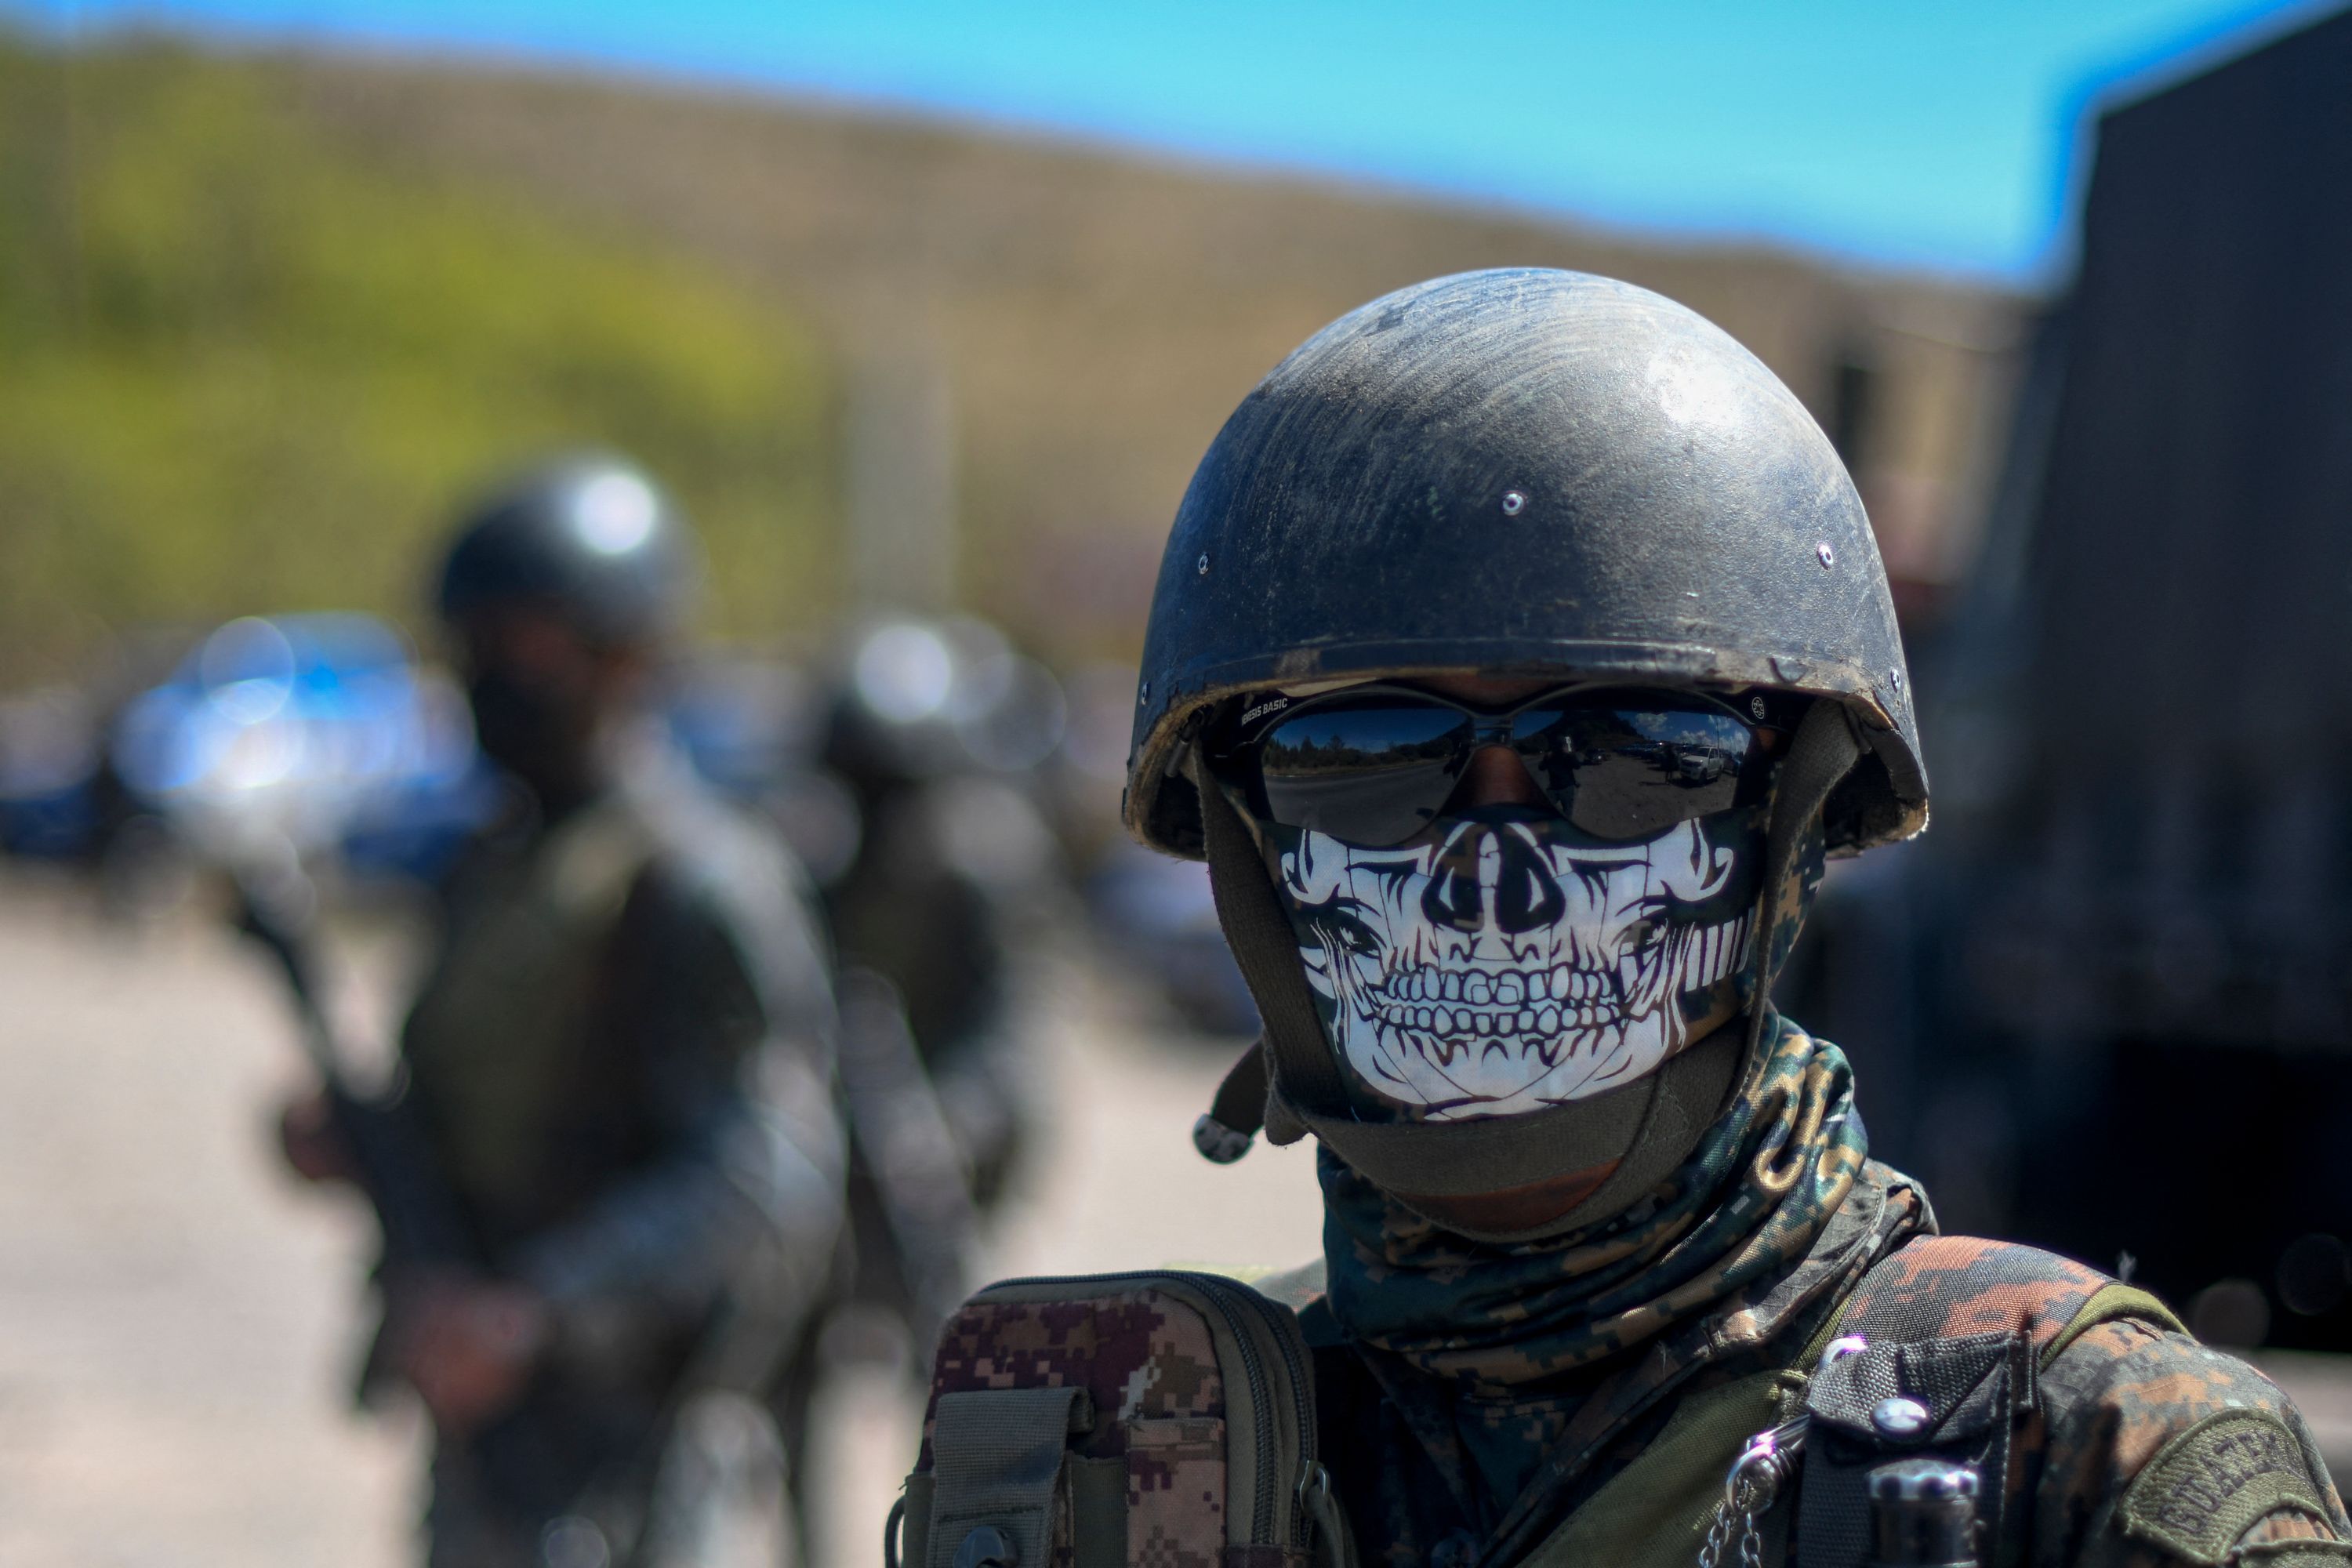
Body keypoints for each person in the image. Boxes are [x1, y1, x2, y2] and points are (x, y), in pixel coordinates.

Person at [1113, 270, 2348, 1567]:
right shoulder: (1126, 1446)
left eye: (1637, 756)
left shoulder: (2087, 1459)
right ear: (1245, 836)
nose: (1495, 875)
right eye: (1361, 753)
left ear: (1793, 830)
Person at [281, 454, 845, 1568]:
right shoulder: (497, 866)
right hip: (488, 1414)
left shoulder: (699, 879)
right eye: (474, 647)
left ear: (624, 653)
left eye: (526, 646)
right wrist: (354, 1136)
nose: (492, 680)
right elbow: (475, 1100)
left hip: (628, 1436)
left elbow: (757, 1180)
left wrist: (537, 1313)